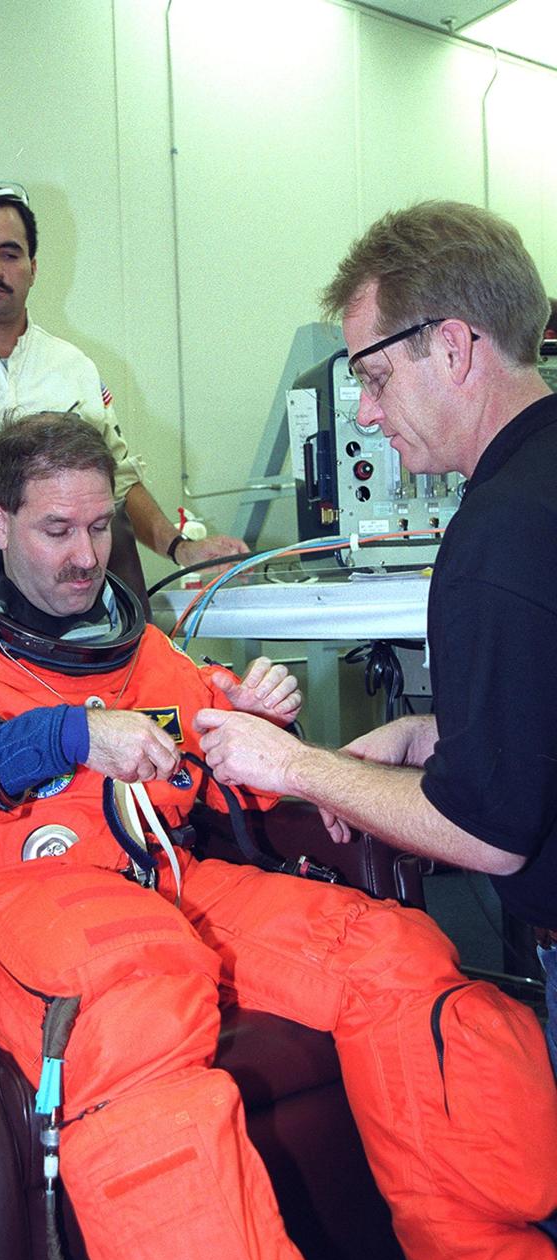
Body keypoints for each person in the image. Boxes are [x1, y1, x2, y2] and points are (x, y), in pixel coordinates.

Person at [0, 410, 557, 1260]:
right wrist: (57, 738)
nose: (87, 556)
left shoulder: (140, 653)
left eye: (99, 527)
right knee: (145, 982)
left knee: (393, 955)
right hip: (8, 894)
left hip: (162, 878)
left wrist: (261, 728)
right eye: (56, 530)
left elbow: (210, 770)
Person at [196, 199, 557, 1082]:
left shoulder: (497, 537)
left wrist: (294, 767)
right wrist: (431, 733)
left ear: (456, 347)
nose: (364, 414)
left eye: (376, 377)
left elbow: (487, 834)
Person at [0, 180, 246, 570]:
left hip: (59, 595)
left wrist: (180, 548)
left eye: (11, 254)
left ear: (33, 267)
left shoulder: (72, 369)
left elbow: (119, 478)